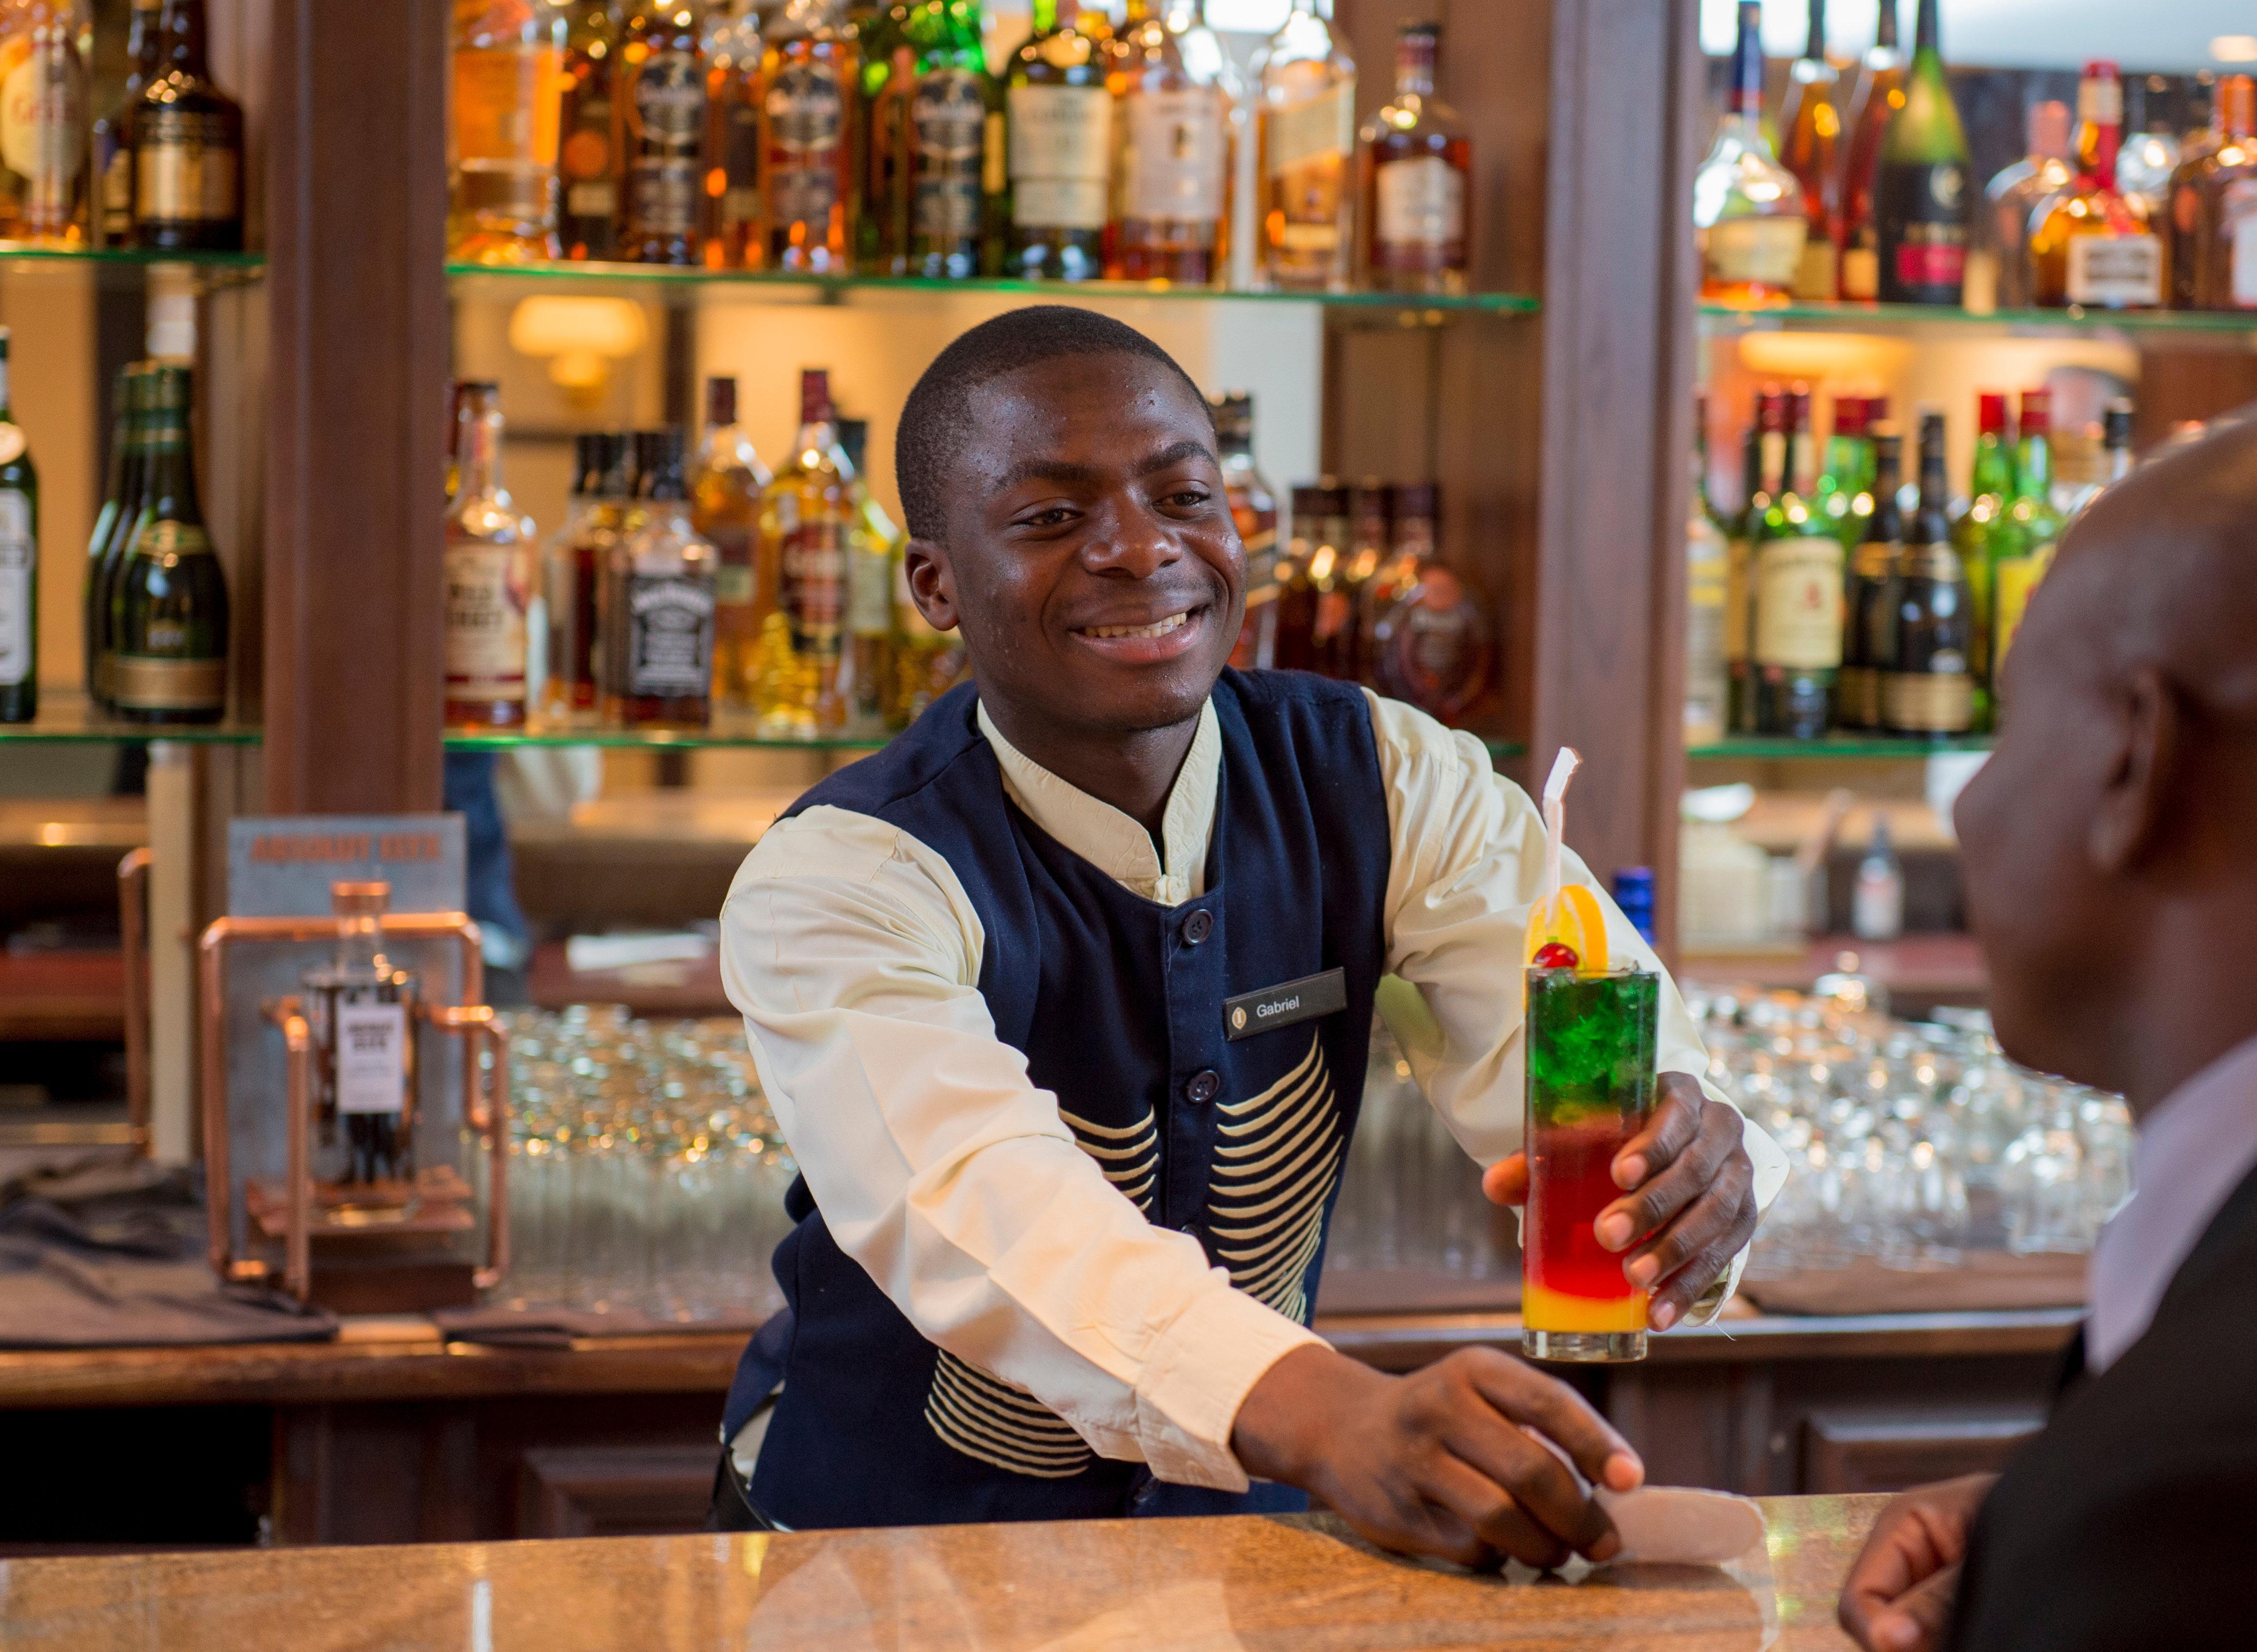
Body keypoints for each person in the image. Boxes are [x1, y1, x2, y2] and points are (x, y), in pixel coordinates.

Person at [716, 306, 1786, 1562]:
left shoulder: (1388, 776)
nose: (1140, 549)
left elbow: (1596, 1057)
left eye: (1183, 494)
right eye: (1053, 517)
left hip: (1241, 1553)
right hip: (887, 1558)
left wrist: (1697, 1179)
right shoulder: (846, 870)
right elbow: (974, 1209)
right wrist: (1329, 1413)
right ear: (936, 583)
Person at [1838, 390, 2257, 1651]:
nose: (1966, 818)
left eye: (2011, 728)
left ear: (2138, 762)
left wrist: (2109, 1546)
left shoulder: (2217, 1489)